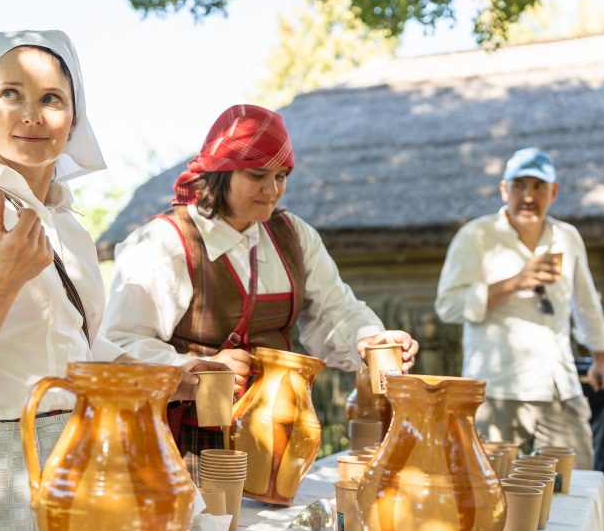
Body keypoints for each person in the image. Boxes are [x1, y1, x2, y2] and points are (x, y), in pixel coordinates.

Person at [0, 30, 215, 531]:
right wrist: (1, 282)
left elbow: (83, 354)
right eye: (11, 94)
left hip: (89, 457)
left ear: (73, 119)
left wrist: (165, 376)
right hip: (2, 469)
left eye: (51, 99)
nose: (32, 116)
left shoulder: (68, 227)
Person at [101, 104, 419, 462]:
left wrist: (368, 338)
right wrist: (188, 371)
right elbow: (120, 343)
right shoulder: (165, 243)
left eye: (281, 176)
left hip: (279, 439)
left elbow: (335, 309)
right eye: (257, 176)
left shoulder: (293, 235)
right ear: (221, 173)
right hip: (185, 447)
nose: (272, 190)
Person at [435, 147, 604, 469]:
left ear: (554, 192)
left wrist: (603, 358)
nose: (528, 196)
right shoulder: (476, 236)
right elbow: (448, 306)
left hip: (557, 386)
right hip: (496, 389)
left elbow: (586, 302)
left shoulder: (567, 237)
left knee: (576, 484)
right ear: (503, 189)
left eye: (538, 186)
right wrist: (516, 282)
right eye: (519, 185)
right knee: (490, 492)